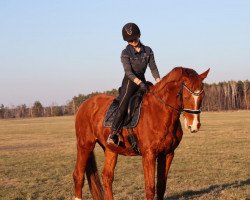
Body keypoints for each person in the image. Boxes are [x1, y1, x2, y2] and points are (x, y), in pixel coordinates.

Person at [107, 22, 161, 145]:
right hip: (130, 81)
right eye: (130, 40)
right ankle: (113, 133)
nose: (133, 41)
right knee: (124, 103)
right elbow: (128, 72)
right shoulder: (125, 53)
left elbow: (153, 68)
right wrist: (139, 82)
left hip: (142, 79)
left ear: (139, 35)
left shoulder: (148, 51)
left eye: (134, 38)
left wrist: (159, 82)